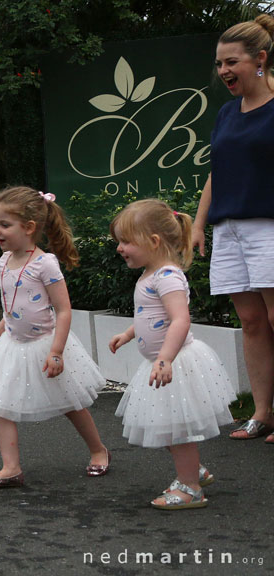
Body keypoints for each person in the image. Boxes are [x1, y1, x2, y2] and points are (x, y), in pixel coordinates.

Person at [109, 199, 236, 509]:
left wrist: (165, 358)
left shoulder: (167, 276)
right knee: (165, 425)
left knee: (176, 430)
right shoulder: (151, 274)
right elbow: (152, 318)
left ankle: (190, 487)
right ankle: (193, 470)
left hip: (174, 363)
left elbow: (180, 319)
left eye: (126, 241)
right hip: (160, 363)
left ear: (153, 242)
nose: (119, 248)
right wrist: (128, 334)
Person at [0, 186, 110, 489]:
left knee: (71, 402)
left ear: (29, 228)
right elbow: (11, 306)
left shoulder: (45, 263)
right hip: (12, 346)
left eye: (4, 225)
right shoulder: (3, 262)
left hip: (45, 345)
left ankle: (98, 450)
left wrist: (57, 351)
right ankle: (10, 467)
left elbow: (63, 310)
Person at [192, 14, 274, 443]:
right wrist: (200, 222)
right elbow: (217, 172)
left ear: (259, 59)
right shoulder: (226, 113)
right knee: (252, 321)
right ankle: (262, 414)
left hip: (269, 227)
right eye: (219, 63)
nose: (223, 70)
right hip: (229, 229)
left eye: (231, 62)